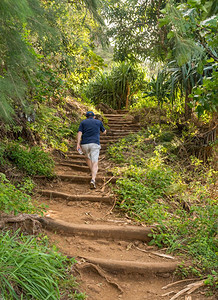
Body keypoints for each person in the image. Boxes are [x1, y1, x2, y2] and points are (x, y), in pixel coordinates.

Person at [77, 111, 106, 189]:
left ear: (86, 117)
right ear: (94, 116)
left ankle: (92, 171)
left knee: (87, 158)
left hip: (85, 144)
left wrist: (78, 144)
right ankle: (93, 180)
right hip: (95, 144)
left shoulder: (83, 122)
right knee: (95, 161)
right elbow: (104, 132)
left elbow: (79, 133)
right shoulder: (98, 122)